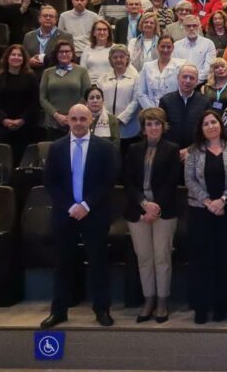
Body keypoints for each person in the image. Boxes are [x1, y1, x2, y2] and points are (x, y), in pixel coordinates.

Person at [41, 104, 120, 329]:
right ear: (68, 120)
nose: (77, 123)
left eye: (82, 119)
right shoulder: (56, 148)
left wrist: (85, 205)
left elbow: (109, 180)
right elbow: (51, 182)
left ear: (90, 121)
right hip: (65, 213)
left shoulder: (104, 147)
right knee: (63, 263)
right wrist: (70, 206)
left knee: (98, 263)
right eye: (73, 118)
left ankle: (102, 309)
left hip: (94, 213)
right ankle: (58, 311)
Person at [184, 109, 227, 323]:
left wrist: (223, 200)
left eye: (214, 122)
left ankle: (224, 306)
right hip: (201, 213)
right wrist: (208, 202)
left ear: (220, 125)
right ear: (201, 129)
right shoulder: (193, 151)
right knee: (203, 261)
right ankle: (202, 307)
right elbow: (189, 181)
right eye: (206, 124)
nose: (210, 126)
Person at [122, 107, 182, 324]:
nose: (153, 127)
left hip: (164, 212)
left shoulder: (172, 149)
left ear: (163, 126)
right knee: (144, 259)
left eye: (157, 123)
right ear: (143, 128)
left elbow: (172, 181)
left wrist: (155, 207)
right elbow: (128, 181)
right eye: (149, 124)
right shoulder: (133, 149)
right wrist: (144, 204)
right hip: (138, 211)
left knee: (162, 258)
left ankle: (162, 301)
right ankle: (148, 299)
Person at [0, 45, 38, 165]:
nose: (16, 57)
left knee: (22, 161)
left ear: (24, 59)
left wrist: (22, 120)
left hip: (25, 126)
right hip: (3, 127)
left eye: (19, 55)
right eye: (13, 54)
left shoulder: (31, 77)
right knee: (5, 160)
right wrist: (4, 120)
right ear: (7, 58)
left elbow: (35, 102)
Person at [40, 40, 92, 139]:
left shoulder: (82, 71)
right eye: (61, 52)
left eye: (67, 51)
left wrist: (71, 116)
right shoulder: (47, 73)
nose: (64, 54)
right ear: (56, 54)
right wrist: (56, 115)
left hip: (77, 122)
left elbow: (85, 95)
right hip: (53, 122)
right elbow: (43, 98)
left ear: (72, 54)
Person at [158, 64, 213, 151]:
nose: (187, 81)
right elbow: (161, 129)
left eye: (192, 78)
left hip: (196, 151)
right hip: (170, 152)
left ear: (197, 81)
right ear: (178, 77)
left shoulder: (205, 102)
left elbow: (208, 129)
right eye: (184, 77)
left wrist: (190, 150)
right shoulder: (165, 101)